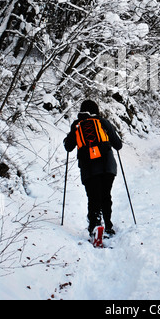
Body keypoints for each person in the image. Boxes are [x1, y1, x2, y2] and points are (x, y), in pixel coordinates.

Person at [63, 99, 122, 237]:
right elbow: (118, 145)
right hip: (108, 166)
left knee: (94, 198)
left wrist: (68, 137)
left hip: (89, 168)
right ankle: (108, 226)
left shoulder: (77, 125)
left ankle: (95, 226)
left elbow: (68, 147)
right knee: (106, 196)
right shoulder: (103, 122)